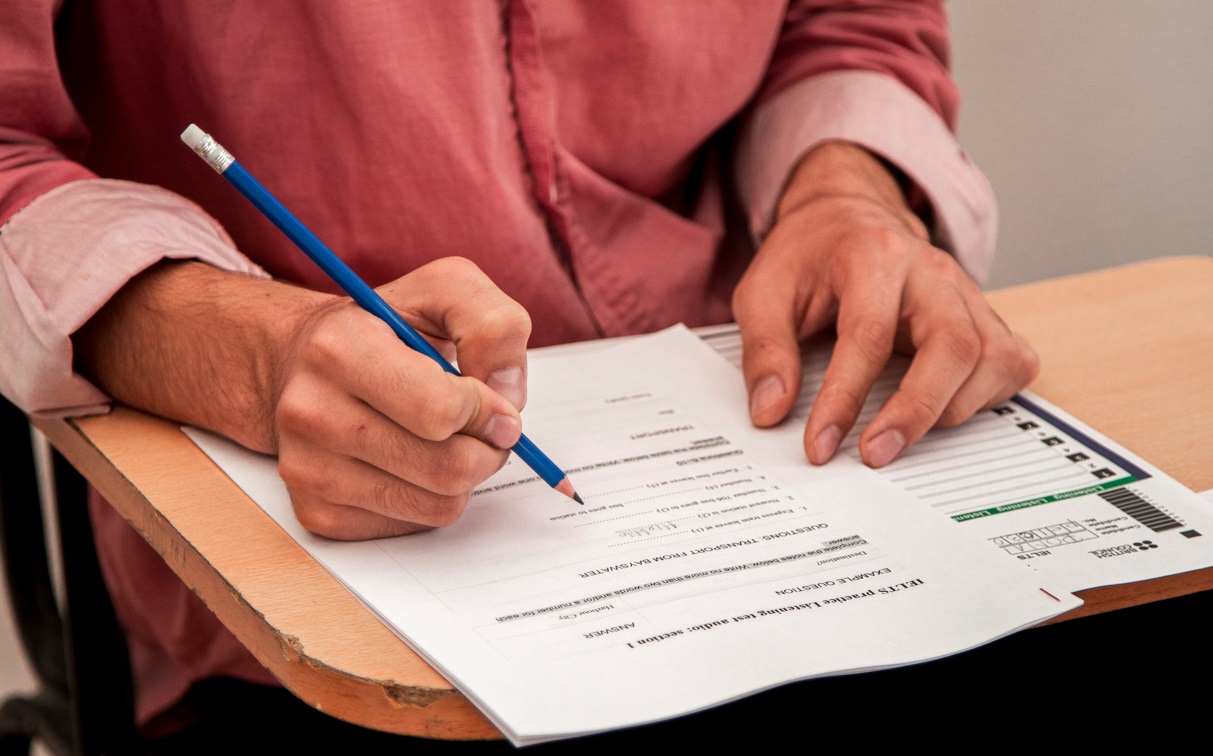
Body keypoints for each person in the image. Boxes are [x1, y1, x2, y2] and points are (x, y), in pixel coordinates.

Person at [0, 0, 1038, 744]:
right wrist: (249, 348)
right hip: (314, 649)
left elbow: (846, 18)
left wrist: (844, 192)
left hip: (770, 486)